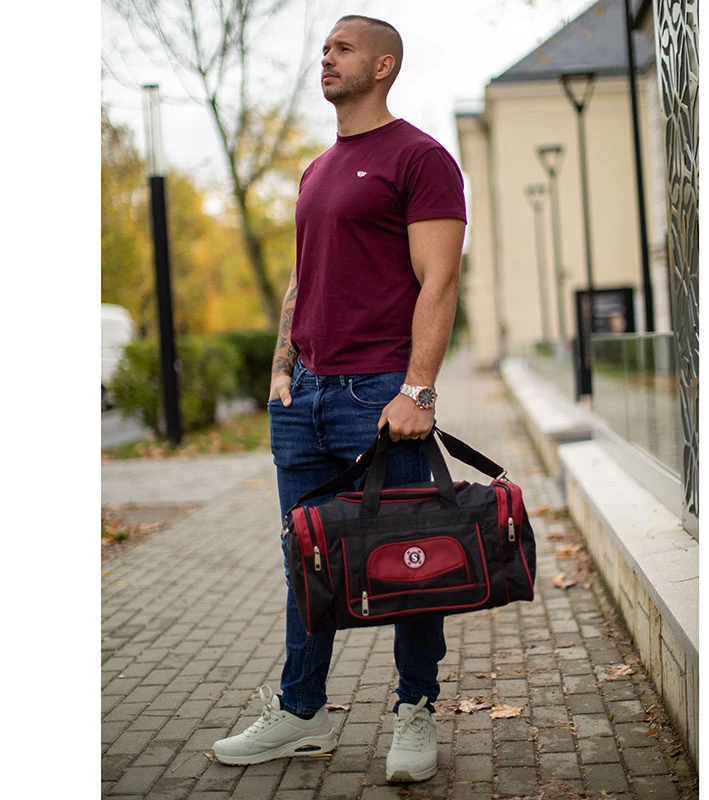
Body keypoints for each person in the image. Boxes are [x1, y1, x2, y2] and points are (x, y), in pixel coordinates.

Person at [212, 14, 467, 784]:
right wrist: (282, 367)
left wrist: (417, 389)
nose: (326, 58)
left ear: (383, 65)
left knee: (411, 557)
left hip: (379, 396)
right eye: (323, 48)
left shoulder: (421, 158)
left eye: (342, 48)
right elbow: (304, 277)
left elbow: (439, 280)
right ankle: (302, 713)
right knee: (306, 559)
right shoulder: (316, 171)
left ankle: (415, 709)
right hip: (306, 398)